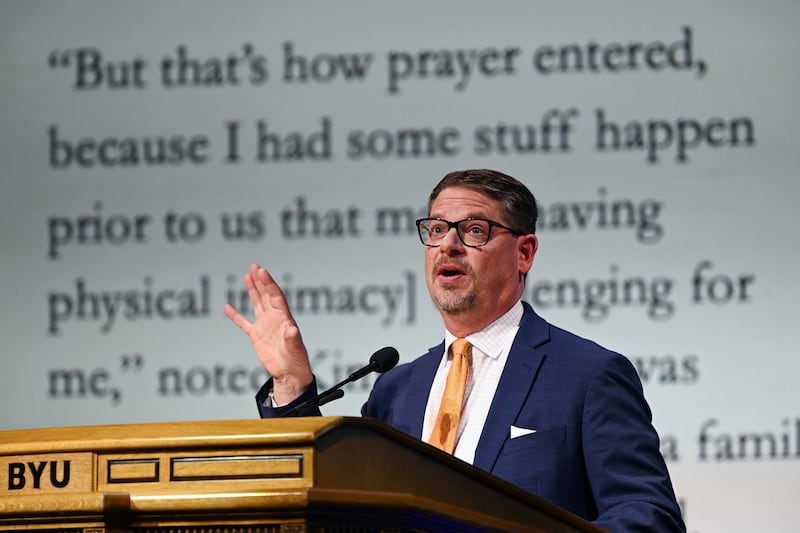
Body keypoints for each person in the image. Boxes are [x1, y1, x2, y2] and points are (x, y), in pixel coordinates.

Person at [224, 169, 685, 532]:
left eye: (475, 231)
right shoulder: (396, 389)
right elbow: (341, 504)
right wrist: (292, 385)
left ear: (524, 253)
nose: (448, 245)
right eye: (438, 228)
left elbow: (648, 517)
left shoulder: (587, 374)